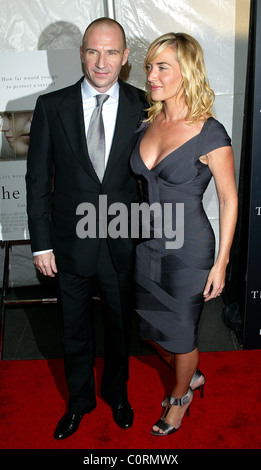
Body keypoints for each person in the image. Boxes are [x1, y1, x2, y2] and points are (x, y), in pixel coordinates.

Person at [26, 17, 146, 439]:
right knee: (73, 328)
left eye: (111, 52)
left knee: (118, 326)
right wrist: (41, 245)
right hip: (68, 243)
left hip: (120, 242)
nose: (101, 61)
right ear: (81, 53)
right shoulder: (51, 106)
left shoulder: (144, 104)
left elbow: (151, 180)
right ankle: (79, 402)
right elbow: (38, 180)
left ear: (126, 57)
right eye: (93, 51)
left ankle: (117, 394)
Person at [130, 32, 238, 436]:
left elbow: (229, 200)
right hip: (147, 244)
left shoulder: (211, 133)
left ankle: (179, 398)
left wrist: (221, 262)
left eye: (162, 67)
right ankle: (189, 373)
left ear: (186, 71)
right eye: (149, 66)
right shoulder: (149, 121)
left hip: (189, 249)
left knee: (179, 332)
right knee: (149, 328)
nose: (151, 75)